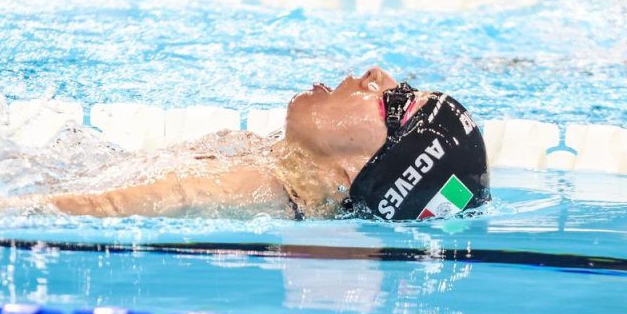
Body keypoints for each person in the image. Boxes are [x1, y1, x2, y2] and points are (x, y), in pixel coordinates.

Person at [43, 67, 490, 220]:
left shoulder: (242, 187)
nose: (376, 75)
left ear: (359, 169)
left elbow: (97, 207)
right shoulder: (270, 165)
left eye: (394, 103)